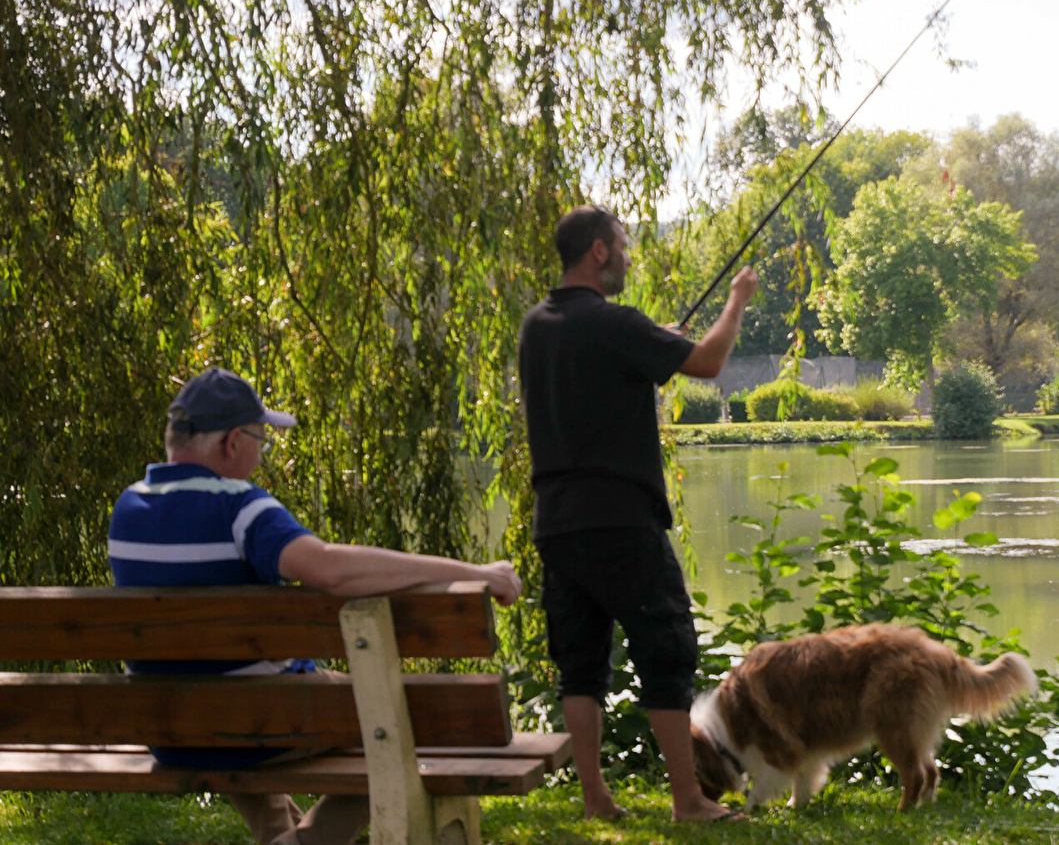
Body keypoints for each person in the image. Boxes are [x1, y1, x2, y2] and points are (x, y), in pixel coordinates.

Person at [108, 367, 524, 845]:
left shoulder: (128, 509)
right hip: (257, 725)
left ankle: (280, 834)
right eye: (261, 440)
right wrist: (472, 572)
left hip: (170, 732)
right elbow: (330, 570)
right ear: (231, 442)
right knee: (405, 715)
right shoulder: (240, 508)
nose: (261, 455)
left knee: (238, 692)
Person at [518, 204, 756, 822]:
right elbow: (707, 362)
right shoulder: (615, 323)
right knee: (666, 650)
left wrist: (652, 340)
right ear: (598, 251)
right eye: (621, 246)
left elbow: (598, 371)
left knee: (579, 665)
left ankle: (595, 797)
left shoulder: (536, 326)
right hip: (622, 520)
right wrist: (736, 301)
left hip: (558, 522)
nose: (626, 257)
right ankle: (688, 800)